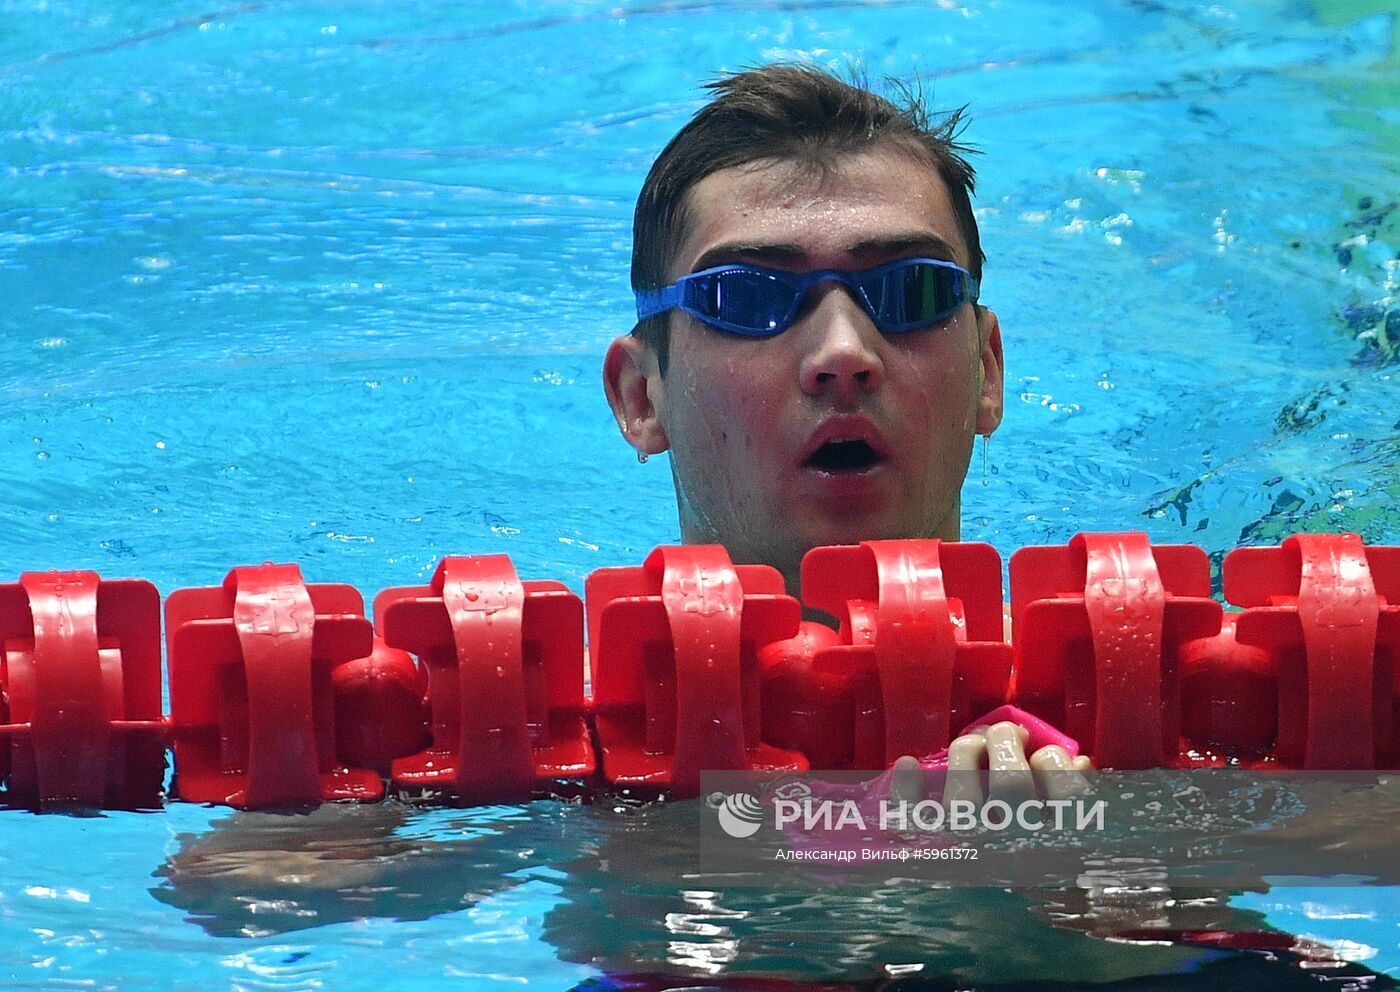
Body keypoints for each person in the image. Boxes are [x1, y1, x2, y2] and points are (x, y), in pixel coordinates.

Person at [602, 63, 1084, 787]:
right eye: (745, 295)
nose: (843, 354)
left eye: (912, 287)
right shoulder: (545, 742)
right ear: (641, 395)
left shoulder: (1133, 723)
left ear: (987, 373)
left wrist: (1091, 890)